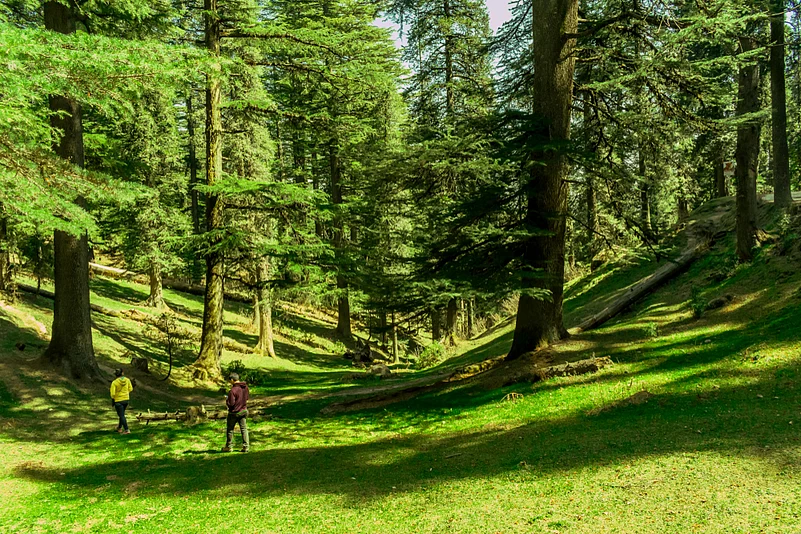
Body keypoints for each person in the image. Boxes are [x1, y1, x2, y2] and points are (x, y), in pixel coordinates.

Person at [221, 373, 249, 452]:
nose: (230, 382)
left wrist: (227, 399)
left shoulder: (233, 390)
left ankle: (229, 446)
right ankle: (246, 446)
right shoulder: (245, 387)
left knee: (230, 429)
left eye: (230, 381)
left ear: (232, 380)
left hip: (234, 413)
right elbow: (246, 398)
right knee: (244, 429)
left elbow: (231, 403)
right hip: (243, 410)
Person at [110, 368, 134, 435]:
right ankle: (119, 428)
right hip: (126, 399)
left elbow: (112, 394)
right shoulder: (127, 380)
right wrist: (125, 393)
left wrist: (113, 399)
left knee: (121, 415)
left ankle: (126, 429)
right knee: (121, 414)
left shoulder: (114, 383)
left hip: (118, 401)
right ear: (122, 373)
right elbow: (131, 389)